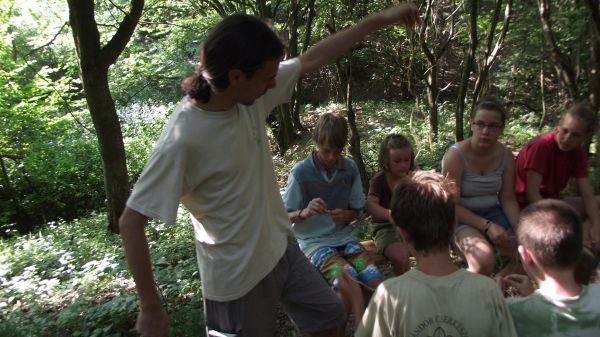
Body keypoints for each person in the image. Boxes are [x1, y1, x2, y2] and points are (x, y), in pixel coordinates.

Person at [118, 4, 420, 337]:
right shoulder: (183, 139)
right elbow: (131, 221)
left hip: (281, 249)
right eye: (266, 77)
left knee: (330, 318)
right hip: (235, 279)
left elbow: (312, 59)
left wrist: (377, 20)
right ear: (235, 76)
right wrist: (150, 306)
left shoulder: (248, 95)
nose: (273, 83)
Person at [355, 171, 517, 337]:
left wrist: (357, 304)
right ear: (454, 223)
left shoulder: (389, 295)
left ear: (402, 234)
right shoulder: (488, 290)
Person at [282, 112, 383, 329]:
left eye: (337, 151)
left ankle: (369, 329)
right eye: (326, 151)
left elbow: (357, 210)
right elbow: (281, 216)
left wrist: (346, 215)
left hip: (346, 241)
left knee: (374, 280)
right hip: (315, 244)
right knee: (349, 283)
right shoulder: (301, 173)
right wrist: (304, 213)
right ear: (317, 143)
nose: (331, 157)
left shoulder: (349, 169)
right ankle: (357, 331)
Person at [441, 96, 520, 276]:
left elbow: (507, 198)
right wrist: (487, 226)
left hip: (494, 212)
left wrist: (518, 227)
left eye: (493, 126)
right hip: (460, 218)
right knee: (483, 260)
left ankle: (500, 281)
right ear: (472, 125)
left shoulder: (506, 155)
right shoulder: (455, 156)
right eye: (480, 124)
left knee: (529, 252)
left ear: (501, 128)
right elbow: (451, 205)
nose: (485, 131)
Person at [497, 199, 600, 337]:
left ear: (525, 255)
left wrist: (495, 303)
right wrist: (531, 296)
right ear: (578, 248)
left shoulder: (509, 312)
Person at [515, 101, 600, 254]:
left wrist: (596, 224)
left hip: (554, 201)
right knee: (570, 225)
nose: (567, 139)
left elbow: (587, 194)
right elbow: (532, 194)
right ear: (558, 126)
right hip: (528, 206)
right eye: (565, 131)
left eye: (575, 135)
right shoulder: (542, 146)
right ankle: (583, 242)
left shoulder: (577, 153)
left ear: (586, 136)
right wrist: (565, 218)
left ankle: (588, 236)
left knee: (597, 204)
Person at [366, 134, 413, 275]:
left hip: (412, 224)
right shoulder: (379, 181)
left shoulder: (413, 176)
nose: (404, 165)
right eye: (397, 161)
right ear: (386, 161)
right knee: (401, 257)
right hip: (385, 228)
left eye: (407, 159)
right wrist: (389, 214)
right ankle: (403, 289)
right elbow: (370, 205)